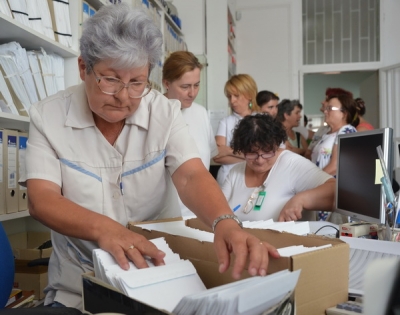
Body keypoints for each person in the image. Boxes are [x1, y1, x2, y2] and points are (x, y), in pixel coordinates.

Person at [20, 5, 279, 310]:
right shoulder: (47, 116)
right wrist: (106, 230)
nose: (124, 96)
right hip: (79, 285)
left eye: (136, 82)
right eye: (111, 80)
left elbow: (191, 174)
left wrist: (226, 223)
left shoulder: (164, 112)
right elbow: (41, 199)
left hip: (158, 282)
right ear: (82, 68)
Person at [221, 114, 335, 222]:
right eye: (252, 153)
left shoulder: (291, 164)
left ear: (277, 146)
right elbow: (218, 209)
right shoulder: (236, 172)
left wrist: (301, 199)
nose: (260, 160)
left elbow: (335, 190)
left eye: (267, 152)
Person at [162, 51, 218, 217]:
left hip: (198, 213)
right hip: (164, 217)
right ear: (167, 83)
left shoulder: (200, 113)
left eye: (197, 85)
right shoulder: (154, 113)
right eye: (185, 87)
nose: (192, 93)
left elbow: (209, 156)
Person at [311, 93, 358, 222]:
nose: (325, 111)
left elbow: (335, 166)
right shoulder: (325, 132)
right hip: (320, 186)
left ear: (344, 113)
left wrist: (311, 181)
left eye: (330, 108)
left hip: (331, 189)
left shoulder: (347, 130)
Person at [213, 74, 260, 186]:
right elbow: (217, 156)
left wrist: (229, 151)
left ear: (249, 95)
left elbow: (265, 154)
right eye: (229, 96)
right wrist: (251, 158)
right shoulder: (225, 122)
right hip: (227, 178)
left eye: (236, 96)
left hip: (255, 177)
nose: (232, 101)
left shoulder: (262, 120)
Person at [305, 88, 353, 160]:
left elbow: (335, 165)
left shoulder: (347, 130)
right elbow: (309, 154)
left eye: (327, 99)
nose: (322, 102)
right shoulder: (324, 130)